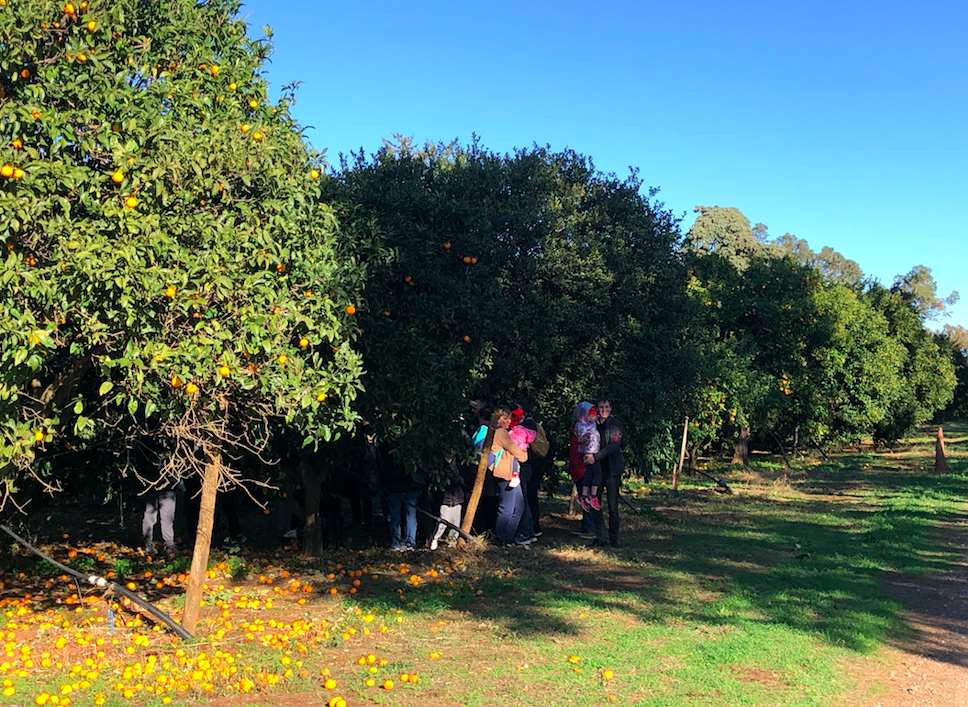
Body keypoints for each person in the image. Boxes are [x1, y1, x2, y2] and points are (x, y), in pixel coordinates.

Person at [584, 396, 625, 548]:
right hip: (597, 471)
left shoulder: (615, 424)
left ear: (611, 408)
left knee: (613, 507)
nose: (604, 410)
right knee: (595, 504)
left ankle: (614, 539)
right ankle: (600, 536)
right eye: (601, 407)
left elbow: (614, 445)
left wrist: (596, 457)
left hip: (612, 471)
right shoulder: (592, 424)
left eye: (606, 407)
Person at [488, 406, 528, 546]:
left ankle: (507, 538)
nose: (508, 421)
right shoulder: (501, 433)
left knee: (518, 507)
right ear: (497, 419)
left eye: (509, 418)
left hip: (508, 474)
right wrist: (523, 453)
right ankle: (500, 539)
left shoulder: (496, 432)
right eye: (504, 418)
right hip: (504, 474)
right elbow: (521, 455)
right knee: (507, 508)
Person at [429, 456, 466, 550]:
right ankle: (435, 538)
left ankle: (452, 541)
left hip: (457, 496)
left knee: (456, 522)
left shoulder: (459, 462)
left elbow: (464, 477)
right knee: (443, 521)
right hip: (445, 496)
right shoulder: (439, 464)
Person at [574, 402, 602, 511]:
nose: (591, 418)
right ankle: (593, 496)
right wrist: (586, 437)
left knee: (589, 475)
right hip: (590, 454)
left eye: (593, 416)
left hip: (593, 452)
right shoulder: (581, 426)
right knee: (597, 475)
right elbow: (580, 440)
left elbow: (599, 419)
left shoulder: (593, 423)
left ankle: (583, 496)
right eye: (589, 415)